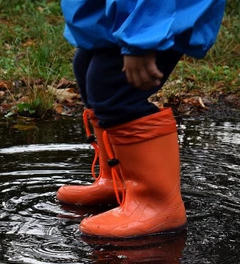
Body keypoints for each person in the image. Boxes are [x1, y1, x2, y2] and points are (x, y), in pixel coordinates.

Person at [57, 0, 226, 238]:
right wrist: (93, 25)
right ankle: (118, 180)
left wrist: (142, 38)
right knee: (87, 69)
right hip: (119, 13)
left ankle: (157, 205)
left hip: (153, 15)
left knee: (113, 88)